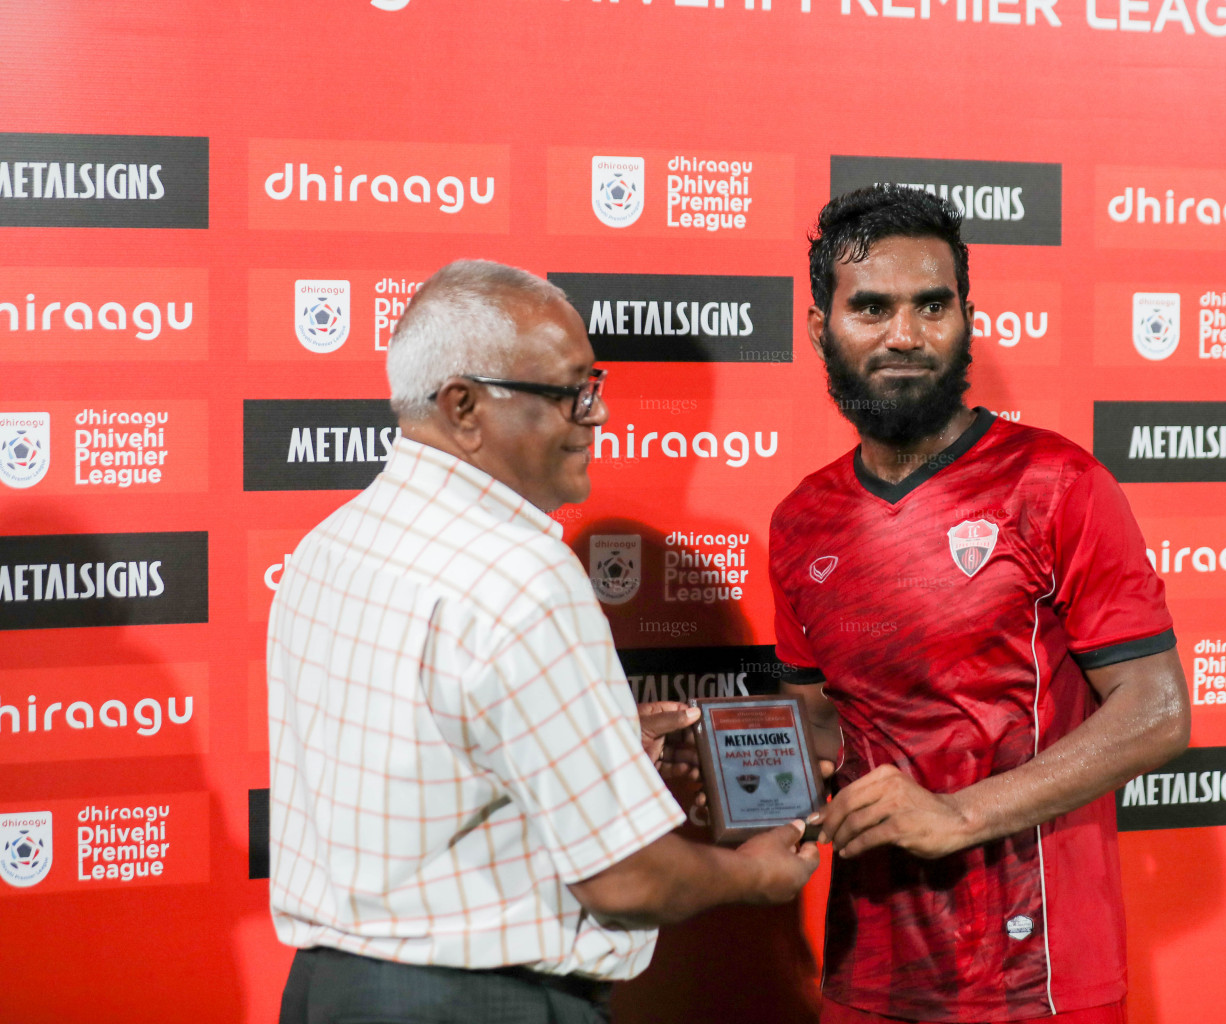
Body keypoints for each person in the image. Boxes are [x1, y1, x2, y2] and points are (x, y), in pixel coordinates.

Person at [267, 259, 819, 1024]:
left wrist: (601, 740)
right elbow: (625, 883)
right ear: (464, 406)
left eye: (594, 389)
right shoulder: (521, 571)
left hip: (329, 996)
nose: (595, 418)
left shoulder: (329, 546)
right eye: (569, 394)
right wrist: (756, 876)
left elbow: (428, 763)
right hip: (481, 1004)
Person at [770, 187, 1192, 1024]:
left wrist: (957, 814)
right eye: (871, 307)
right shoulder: (798, 521)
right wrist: (738, 786)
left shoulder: (1058, 484)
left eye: (933, 305)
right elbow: (817, 729)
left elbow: (1157, 709)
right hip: (869, 970)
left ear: (966, 318)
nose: (905, 335)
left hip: (1031, 978)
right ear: (822, 328)